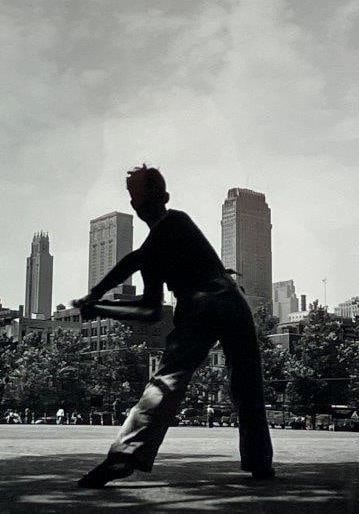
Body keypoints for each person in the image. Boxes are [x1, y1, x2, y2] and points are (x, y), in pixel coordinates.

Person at [73, 165, 274, 488]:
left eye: (139, 196)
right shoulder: (156, 246)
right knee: (245, 384)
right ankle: (259, 461)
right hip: (228, 303)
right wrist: (102, 306)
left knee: (168, 382)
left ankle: (125, 456)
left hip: (207, 301)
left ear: (162, 198)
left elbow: (135, 260)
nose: (136, 204)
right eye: (134, 197)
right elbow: (150, 309)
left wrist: (96, 297)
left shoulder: (174, 222)